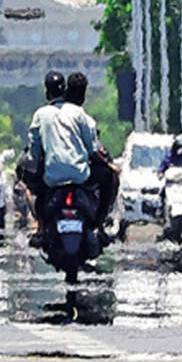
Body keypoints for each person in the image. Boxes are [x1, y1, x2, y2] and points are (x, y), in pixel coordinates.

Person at [20, 71, 97, 246]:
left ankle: (39, 227)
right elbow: (91, 147)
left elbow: (34, 151)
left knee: (32, 190)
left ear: (47, 93)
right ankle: (98, 228)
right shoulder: (78, 113)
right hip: (80, 176)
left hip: (52, 179)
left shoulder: (40, 114)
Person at [64, 71, 120, 232]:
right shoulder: (84, 119)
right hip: (80, 174)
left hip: (53, 175)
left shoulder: (47, 114)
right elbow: (92, 151)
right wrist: (109, 165)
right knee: (109, 176)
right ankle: (100, 222)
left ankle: (39, 226)